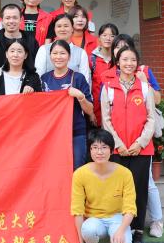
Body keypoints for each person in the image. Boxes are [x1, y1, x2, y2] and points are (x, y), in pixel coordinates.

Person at [99, 46, 155, 243]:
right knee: (117, 190)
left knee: (139, 189)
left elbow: (151, 118)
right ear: (118, 62)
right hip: (117, 150)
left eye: (132, 60)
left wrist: (140, 143)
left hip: (141, 149)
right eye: (125, 59)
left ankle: (137, 230)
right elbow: (105, 119)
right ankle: (119, 228)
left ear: (137, 63)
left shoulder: (145, 87)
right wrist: (118, 144)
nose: (129, 63)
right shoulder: (108, 87)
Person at [72, 129, 137, 243]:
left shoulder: (125, 173)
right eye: (95, 147)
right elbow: (77, 210)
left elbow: (130, 208)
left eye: (104, 147)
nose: (99, 152)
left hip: (117, 217)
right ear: (90, 150)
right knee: (88, 229)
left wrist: (121, 231)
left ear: (111, 151)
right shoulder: (80, 174)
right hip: (94, 218)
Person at [41, 39, 94, 170]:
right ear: (50, 56)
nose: (58, 57)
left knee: (77, 170)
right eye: (55, 53)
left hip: (76, 132)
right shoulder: (44, 79)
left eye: (62, 53)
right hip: (52, 133)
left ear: (69, 56)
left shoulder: (78, 78)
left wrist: (80, 96)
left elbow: (90, 110)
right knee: (56, 170)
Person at [34, 14, 92, 84]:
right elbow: (38, 78)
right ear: (54, 29)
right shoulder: (44, 50)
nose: (62, 29)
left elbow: (85, 81)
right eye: (59, 26)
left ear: (72, 29)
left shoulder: (81, 53)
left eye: (66, 26)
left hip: (74, 91)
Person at [0, 3, 37, 77]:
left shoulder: (31, 41)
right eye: (7, 18)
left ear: (20, 20)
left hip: (27, 83)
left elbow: (36, 68)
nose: (11, 21)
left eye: (15, 18)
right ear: (2, 20)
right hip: (0, 83)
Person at [89, 23, 119, 124]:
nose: (108, 38)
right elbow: (88, 85)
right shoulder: (91, 59)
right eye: (104, 35)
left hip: (116, 109)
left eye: (112, 36)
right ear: (99, 38)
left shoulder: (120, 60)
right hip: (97, 109)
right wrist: (91, 113)